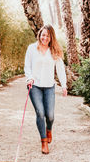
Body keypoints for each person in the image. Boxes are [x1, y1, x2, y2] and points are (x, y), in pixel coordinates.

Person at [24, 24, 67, 154]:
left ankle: (49, 129)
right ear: (39, 35)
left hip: (49, 86)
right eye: (43, 35)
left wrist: (64, 85)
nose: (45, 38)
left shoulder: (54, 51)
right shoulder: (32, 48)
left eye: (47, 35)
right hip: (34, 85)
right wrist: (29, 78)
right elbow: (27, 66)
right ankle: (44, 141)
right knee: (40, 113)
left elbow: (60, 69)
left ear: (51, 37)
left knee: (50, 115)